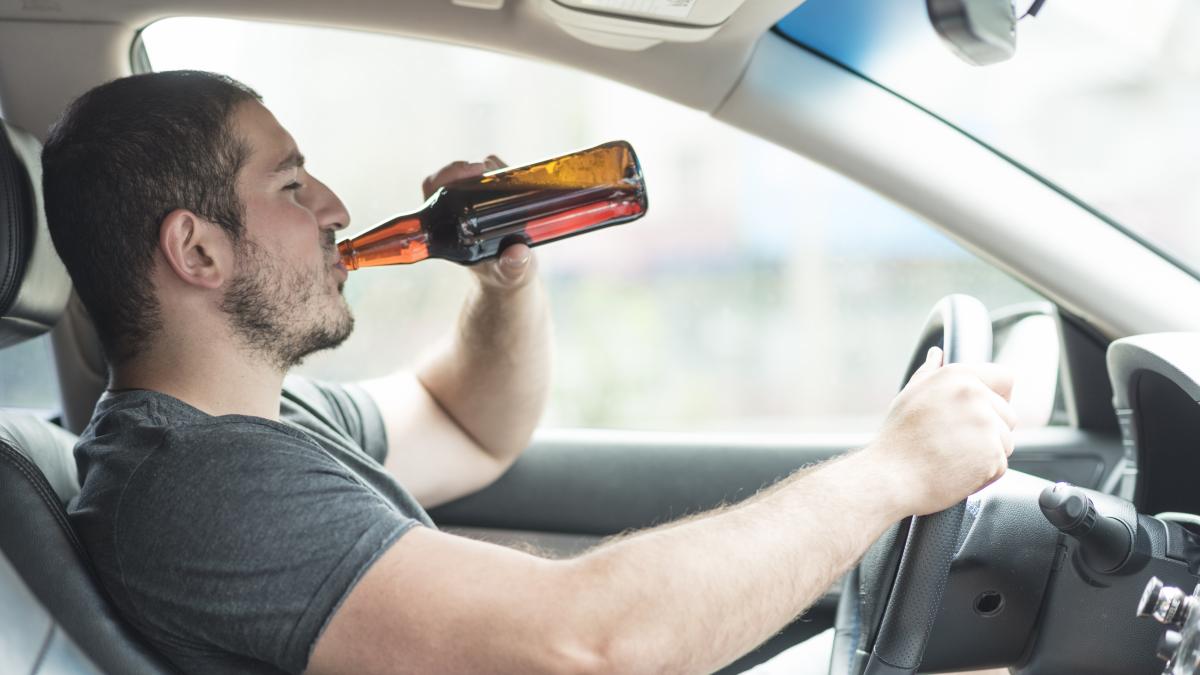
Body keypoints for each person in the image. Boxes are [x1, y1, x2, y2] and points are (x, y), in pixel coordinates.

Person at [43, 70, 1016, 675]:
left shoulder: (265, 422)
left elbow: (469, 424)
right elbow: (586, 644)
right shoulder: (200, 484)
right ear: (198, 251)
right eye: (291, 185)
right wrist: (892, 472)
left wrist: (504, 285)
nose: (335, 208)